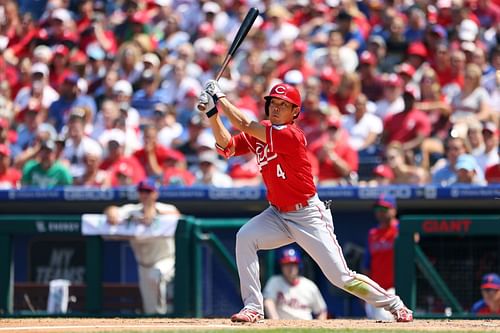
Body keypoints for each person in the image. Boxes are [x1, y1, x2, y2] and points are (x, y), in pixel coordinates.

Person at [198, 80, 413, 323]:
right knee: (245, 237)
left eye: (284, 105)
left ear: (295, 112)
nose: (277, 108)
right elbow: (226, 147)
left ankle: (394, 304)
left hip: (307, 215)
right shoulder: (262, 131)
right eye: (273, 103)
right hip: (277, 214)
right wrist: (213, 114)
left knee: (341, 277)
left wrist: (220, 97)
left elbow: (244, 123)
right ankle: (253, 308)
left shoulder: (291, 135)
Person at [104, 179, 180, 314]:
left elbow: (178, 216)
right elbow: (112, 210)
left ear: (155, 193)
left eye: (148, 191)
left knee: (156, 275)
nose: (145, 195)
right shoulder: (132, 210)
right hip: (144, 265)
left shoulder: (166, 208)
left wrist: (154, 213)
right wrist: (111, 213)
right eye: (142, 191)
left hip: (166, 260)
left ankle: (169, 314)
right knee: (150, 309)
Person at [362, 194, 400, 320]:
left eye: (384, 209)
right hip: (376, 288)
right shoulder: (373, 234)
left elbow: (415, 239)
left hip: (395, 288)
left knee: (385, 318)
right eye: (378, 209)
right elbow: (367, 265)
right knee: (373, 319)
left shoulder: (400, 229)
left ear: (393, 210)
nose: (380, 213)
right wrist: (363, 292)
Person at [263, 247, 327, 320]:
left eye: (293, 264)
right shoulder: (275, 281)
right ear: (281, 266)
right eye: (287, 264)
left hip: (306, 326)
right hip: (283, 326)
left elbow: (321, 311)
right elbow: (268, 302)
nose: (290, 268)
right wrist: (275, 321)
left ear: (298, 266)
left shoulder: (309, 285)